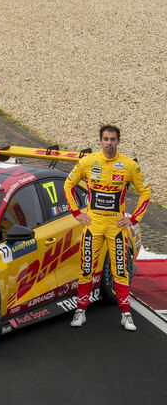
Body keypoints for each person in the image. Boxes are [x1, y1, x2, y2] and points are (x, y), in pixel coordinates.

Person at [65, 124, 151, 332]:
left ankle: (126, 314)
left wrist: (134, 219)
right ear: (100, 141)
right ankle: (81, 310)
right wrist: (77, 213)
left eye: (113, 139)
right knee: (86, 268)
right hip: (92, 224)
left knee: (120, 270)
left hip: (116, 225)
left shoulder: (129, 165)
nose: (109, 143)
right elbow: (68, 185)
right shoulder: (87, 161)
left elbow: (145, 192)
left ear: (119, 141)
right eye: (106, 139)